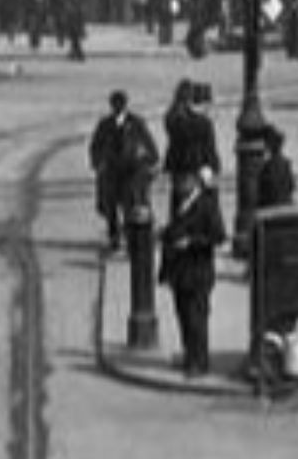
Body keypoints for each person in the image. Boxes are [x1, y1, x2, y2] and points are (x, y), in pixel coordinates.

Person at [160, 166, 226, 378]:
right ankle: (190, 356)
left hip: (198, 271)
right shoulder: (180, 203)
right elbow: (174, 230)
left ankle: (200, 362)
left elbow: (219, 236)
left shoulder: (207, 205)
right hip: (180, 272)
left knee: (197, 318)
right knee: (183, 316)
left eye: (182, 182)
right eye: (177, 183)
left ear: (194, 182)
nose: (178, 187)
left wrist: (191, 242)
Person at [88, 90, 158, 251]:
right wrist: (97, 164)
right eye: (115, 105)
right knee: (110, 205)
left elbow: (149, 143)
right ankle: (114, 235)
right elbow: (95, 146)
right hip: (112, 171)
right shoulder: (105, 124)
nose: (118, 108)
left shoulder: (136, 122)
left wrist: (151, 161)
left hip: (131, 170)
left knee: (130, 204)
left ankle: (129, 233)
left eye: (120, 105)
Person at [163, 81, 220, 212]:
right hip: (199, 173)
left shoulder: (176, 120)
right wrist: (213, 168)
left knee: (180, 211)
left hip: (179, 173)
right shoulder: (204, 123)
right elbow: (210, 151)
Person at [257, 125, 295, 209]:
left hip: (272, 208)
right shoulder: (286, 164)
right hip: (286, 205)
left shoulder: (268, 166)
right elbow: (291, 186)